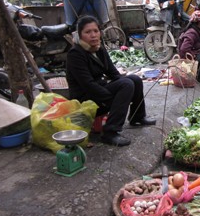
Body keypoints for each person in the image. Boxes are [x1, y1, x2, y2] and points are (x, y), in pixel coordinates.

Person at [66, 16, 155, 147]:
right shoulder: (75, 54)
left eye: (96, 31)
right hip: (85, 99)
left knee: (134, 80)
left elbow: (113, 73)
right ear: (80, 35)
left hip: (99, 91)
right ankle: (110, 132)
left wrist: (125, 92)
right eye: (88, 32)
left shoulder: (98, 49)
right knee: (126, 84)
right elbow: (88, 85)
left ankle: (137, 116)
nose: (93, 35)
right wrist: (112, 98)